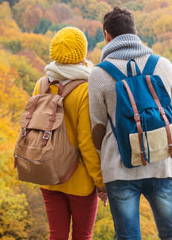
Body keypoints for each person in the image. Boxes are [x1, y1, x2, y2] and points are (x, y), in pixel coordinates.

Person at [88, 7, 172, 240]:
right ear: (134, 32)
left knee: (127, 236)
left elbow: (97, 130)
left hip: (120, 168)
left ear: (107, 35)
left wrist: (106, 169)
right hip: (163, 164)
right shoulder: (163, 65)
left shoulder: (99, 74)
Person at [33, 27, 105, 240]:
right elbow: (87, 143)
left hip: (48, 174)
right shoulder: (85, 89)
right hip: (80, 179)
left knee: (57, 235)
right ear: (82, 53)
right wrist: (100, 181)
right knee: (82, 235)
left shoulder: (42, 84)